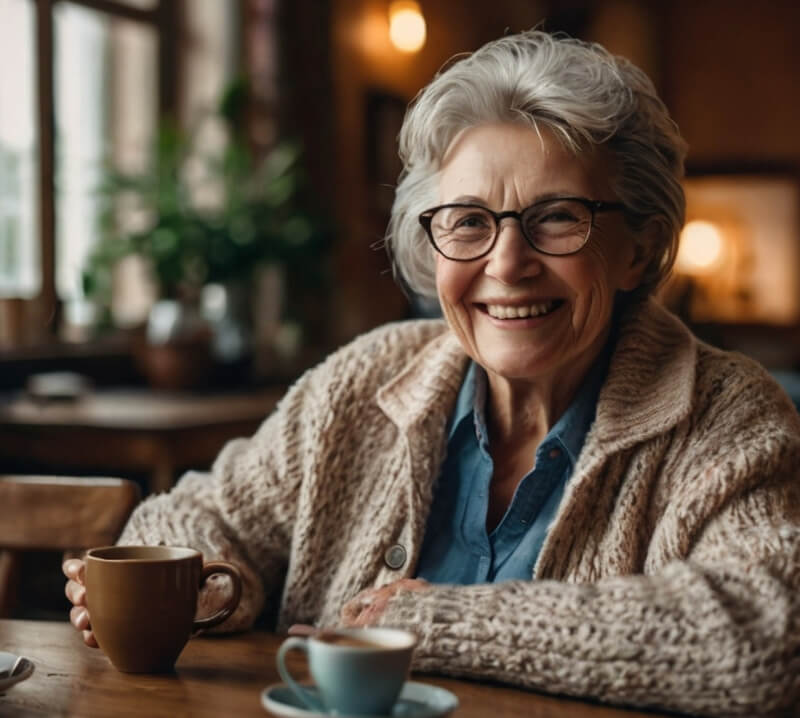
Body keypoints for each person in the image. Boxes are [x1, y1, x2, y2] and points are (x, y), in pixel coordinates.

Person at [64, 30, 800, 716]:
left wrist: (434, 622)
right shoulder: (363, 380)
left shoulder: (727, 415)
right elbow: (199, 512)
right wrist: (199, 586)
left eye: (557, 217)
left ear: (639, 247)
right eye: (468, 221)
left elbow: (769, 635)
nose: (506, 265)